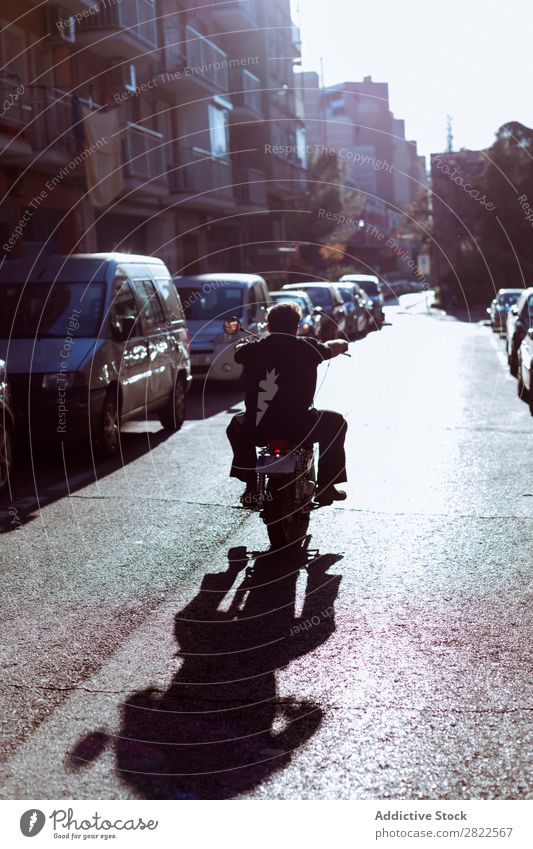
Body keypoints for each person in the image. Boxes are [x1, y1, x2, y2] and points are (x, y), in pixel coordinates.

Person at [226, 301, 349, 507]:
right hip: (300, 427)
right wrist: (344, 344)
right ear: (296, 328)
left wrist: (244, 343)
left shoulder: (253, 350)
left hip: (259, 427)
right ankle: (326, 487)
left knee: (235, 426)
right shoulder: (308, 347)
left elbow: (239, 350)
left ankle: (250, 486)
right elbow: (331, 347)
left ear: (268, 327)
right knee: (337, 423)